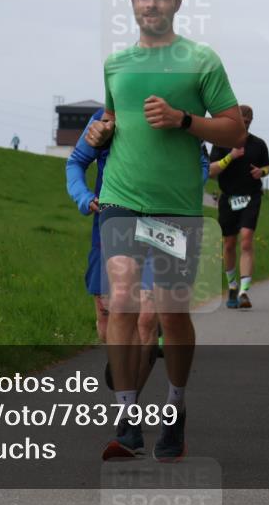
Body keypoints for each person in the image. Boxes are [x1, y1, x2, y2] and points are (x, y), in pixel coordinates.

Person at [85, 0, 245, 462]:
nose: (150, 4)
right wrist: (99, 133)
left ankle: (173, 409)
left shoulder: (201, 61)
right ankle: (128, 417)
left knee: (173, 315)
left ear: (177, 4)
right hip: (119, 200)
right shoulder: (116, 64)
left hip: (175, 207)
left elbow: (235, 130)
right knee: (121, 299)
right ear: (131, 3)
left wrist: (185, 121)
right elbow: (113, 117)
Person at [67, 108, 209, 388]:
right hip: (112, 226)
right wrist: (84, 197)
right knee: (107, 313)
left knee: (145, 317)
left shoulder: (172, 113)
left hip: (162, 223)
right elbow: (76, 162)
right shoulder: (106, 116)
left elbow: (201, 166)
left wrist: (178, 191)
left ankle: (128, 410)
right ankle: (124, 368)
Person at [209, 105, 269, 309]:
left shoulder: (259, 144)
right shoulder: (221, 142)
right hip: (228, 198)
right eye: (242, 117)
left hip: (251, 196)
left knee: (246, 240)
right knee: (229, 244)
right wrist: (231, 156)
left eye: (249, 117)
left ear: (252, 120)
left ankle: (244, 291)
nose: (245, 120)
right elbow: (211, 171)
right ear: (235, 118)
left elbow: (268, 166)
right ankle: (233, 286)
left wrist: (261, 172)